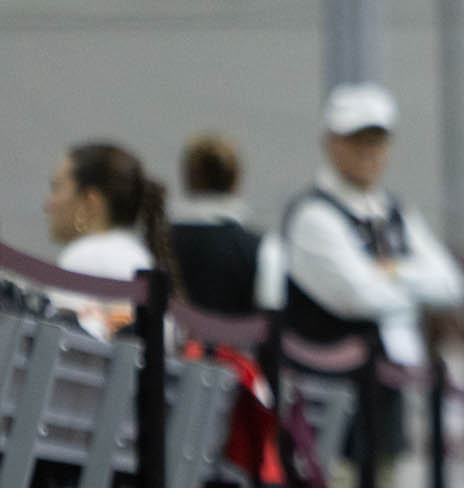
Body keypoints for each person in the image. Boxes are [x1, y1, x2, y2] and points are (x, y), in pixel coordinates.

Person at [282, 82, 464, 488]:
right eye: (357, 140)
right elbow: (357, 294)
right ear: (330, 143)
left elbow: (449, 283)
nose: (368, 153)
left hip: (381, 400)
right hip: (329, 405)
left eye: (377, 141)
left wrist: (390, 275)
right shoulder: (312, 215)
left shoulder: (392, 213)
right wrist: (398, 278)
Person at [40, 140, 177, 336]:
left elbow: (54, 348)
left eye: (57, 188)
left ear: (90, 201)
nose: (48, 203)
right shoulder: (137, 256)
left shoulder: (86, 256)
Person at [170, 131, 285, 316]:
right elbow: (272, 318)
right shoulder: (264, 248)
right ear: (236, 181)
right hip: (237, 343)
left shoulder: (156, 241)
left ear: (188, 179)